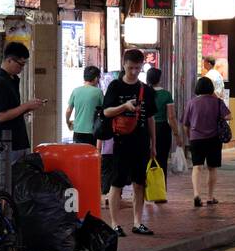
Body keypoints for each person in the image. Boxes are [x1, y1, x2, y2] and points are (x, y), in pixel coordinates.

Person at [101, 49, 158, 236]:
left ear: (142, 67)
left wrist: (153, 145)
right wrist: (124, 106)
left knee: (139, 183)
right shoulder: (115, 87)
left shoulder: (147, 91)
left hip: (141, 143)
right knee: (116, 183)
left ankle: (137, 222)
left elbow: (150, 119)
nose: (133, 71)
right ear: (124, 64)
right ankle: (115, 224)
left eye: (137, 68)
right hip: (120, 142)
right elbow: (106, 112)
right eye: (130, 67)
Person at [0, 42, 42, 162]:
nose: (22, 68)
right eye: (20, 64)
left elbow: (12, 110)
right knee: (9, 179)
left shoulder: (12, 79)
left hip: (18, 141)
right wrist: (25, 106)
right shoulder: (0, 82)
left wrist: (28, 107)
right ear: (9, 60)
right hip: (7, 144)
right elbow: (0, 116)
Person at [183, 76, 231, 207]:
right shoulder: (217, 102)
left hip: (196, 139)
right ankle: (210, 197)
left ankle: (196, 194)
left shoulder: (191, 103)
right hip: (214, 139)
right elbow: (228, 116)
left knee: (197, 167)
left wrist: (189, 136)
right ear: (211, 88)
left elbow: (186, 124)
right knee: (212, 168)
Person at [148, 67, 179, 179]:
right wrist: (177, 134)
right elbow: (171, 117)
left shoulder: (145, 92)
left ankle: (147, 189)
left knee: (146, 160)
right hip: (162, 129)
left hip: (146, 129)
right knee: (161, 160)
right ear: (159, 79)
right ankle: (160, 188)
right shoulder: (166, 94)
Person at [65, 65, 104, 146]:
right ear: (96, 78)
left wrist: (68, 121)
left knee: (78, 155)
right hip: (92, 131)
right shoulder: (98, 92)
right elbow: (105, 110)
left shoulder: (76, 91)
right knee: (90, 156)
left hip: (77, 130)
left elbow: (69, 110)